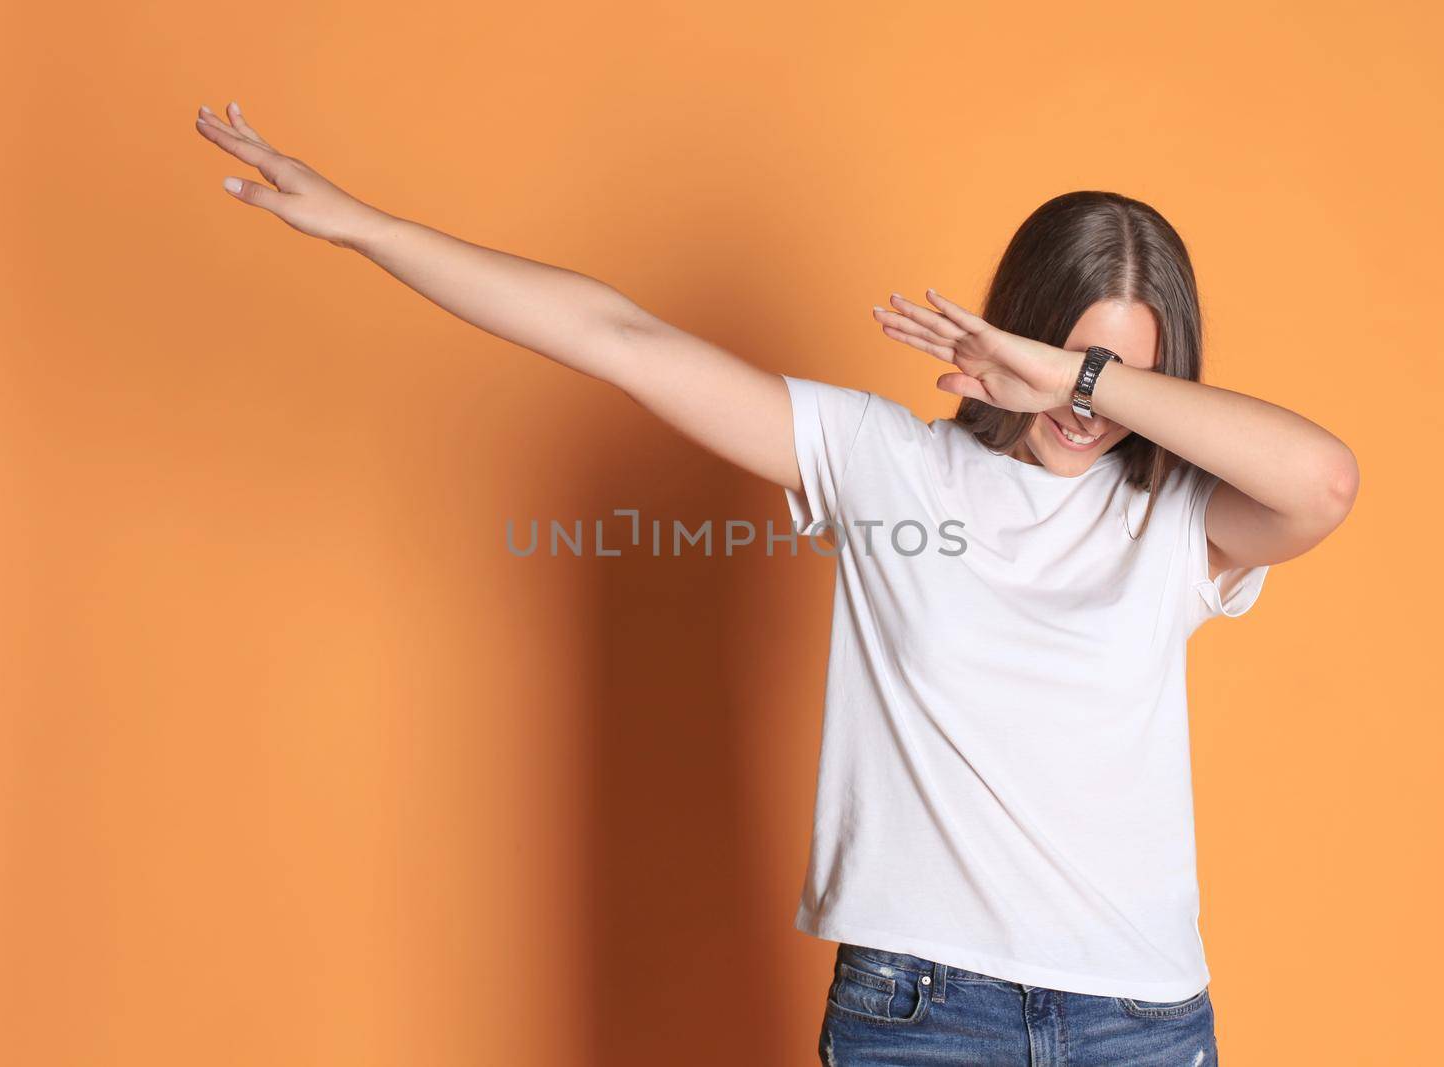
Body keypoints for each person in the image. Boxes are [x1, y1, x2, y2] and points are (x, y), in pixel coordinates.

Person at [194, 101, 1359, 1066]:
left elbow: (1324, 481)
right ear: (1013, 331)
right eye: (1062, 363)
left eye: (1108, 381)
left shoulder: (1178, 525)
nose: (1077, 414)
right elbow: (620, 336)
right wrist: (363, 228)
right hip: (925, 1013)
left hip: (1140, 1022)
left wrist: (1075, 374)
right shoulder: (883, 462)